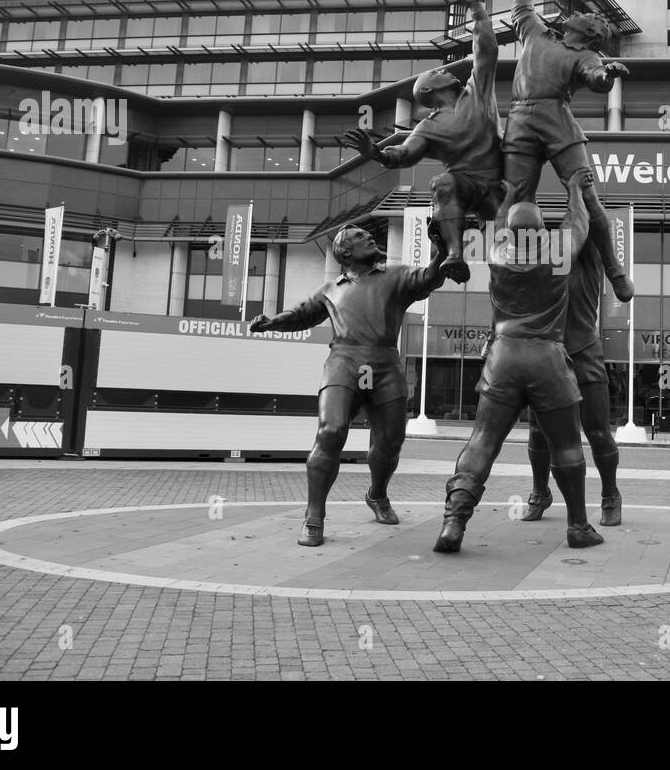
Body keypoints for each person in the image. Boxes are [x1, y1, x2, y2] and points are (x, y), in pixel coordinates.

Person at [433, 171, 604, 553]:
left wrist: (507, 194)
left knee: (482, 441)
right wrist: (574, 190)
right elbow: (579, 220)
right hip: (548, 357)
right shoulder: (559, 250)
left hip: (504, 357)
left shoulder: (496, 251)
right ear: (542, 229)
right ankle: (578, 525)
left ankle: (454, 522)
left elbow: (497, 223)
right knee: (566, 443)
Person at [248, 223, 446, 547]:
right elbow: (301, 314)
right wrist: (272, 323)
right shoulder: (330, 289)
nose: (369, 236)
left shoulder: (395, 277)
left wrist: (440, 248)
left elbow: (430, 277)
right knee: (330, 431)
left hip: (384, 363)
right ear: (345, 252)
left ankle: (377, 494)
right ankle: (314, 517)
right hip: (344, 361)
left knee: (390, 442)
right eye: (358, 236)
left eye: (368, 235)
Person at [339, 0, 501, 284]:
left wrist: (477, 6)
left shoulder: (476, 91)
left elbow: (487, 48)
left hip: (504, 177)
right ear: (429, 89)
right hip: (468, 185)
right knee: (442, 182)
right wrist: (374, 152)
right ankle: (454, 254)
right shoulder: (429, 126)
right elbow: (402, 155)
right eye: (438, 73)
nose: (446, 71)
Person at [503, 0, 634, 303]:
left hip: (556, 120)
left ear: (590, 32)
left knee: (587, 195)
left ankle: (613, 268)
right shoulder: (536, 32)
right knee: (515, 203)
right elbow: (521, 4)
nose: (575, 13)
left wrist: (607, 75)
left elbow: (595, 78)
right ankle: (516, 289)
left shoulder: (586, 55)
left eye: (584, 15)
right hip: (519, 122)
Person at [522, 238, 622, 526]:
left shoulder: (587, 254)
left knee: (598, 431)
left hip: (584, 352)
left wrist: (578, 190)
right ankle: (540, 493)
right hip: (548, 356)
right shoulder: (539, 259)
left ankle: (610, 495)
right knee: (537, 432)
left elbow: (593, 214)